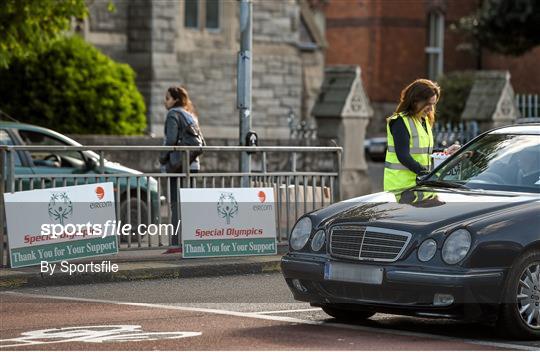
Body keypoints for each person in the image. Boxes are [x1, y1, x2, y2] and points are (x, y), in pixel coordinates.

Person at [383, 79, 458, 192]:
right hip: (399, 188)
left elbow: (423, 152)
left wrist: (446, 152)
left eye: (433, 104)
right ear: (415, 101)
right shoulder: (400, 122)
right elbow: (403, 156)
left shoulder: (424, 121)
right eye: (428, 104)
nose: (431, 109)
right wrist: (428, 175)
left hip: (418, 186)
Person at [159, 86, 202, 252]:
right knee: (189, 205)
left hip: (178, 166)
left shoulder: (173, 114)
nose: (165, 101)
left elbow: (170, 141)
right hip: (193, 165)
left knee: (176, 205)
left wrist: (162, 158)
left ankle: (176, 245)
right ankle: (191, 243)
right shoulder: (190, 115)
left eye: (168, 98)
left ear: (175, 99)